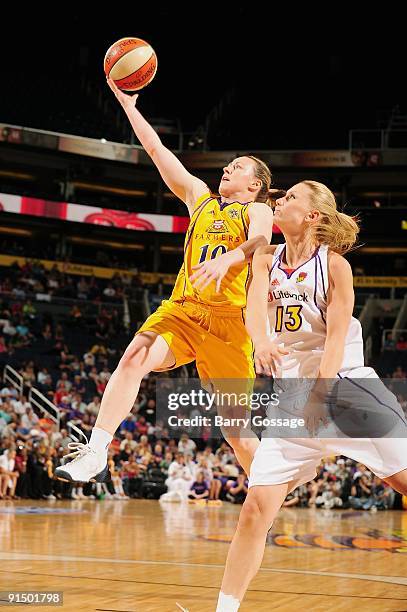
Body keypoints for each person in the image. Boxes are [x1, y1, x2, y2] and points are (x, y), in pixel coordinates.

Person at [56, 77, 282, 483]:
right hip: (184, 313)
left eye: (239, 166)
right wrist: (128, 107)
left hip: (232, 327)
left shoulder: (257, 210)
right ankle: (96, 449)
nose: (228, 167)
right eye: (229, 164)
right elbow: (158, 151)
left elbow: (262, 239)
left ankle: (265, 494)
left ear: (256, 185)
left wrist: (231, 256)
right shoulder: (199, 197)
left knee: (238, 433)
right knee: (134, 357)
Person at [216, 181, 407, 611]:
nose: (279, 201)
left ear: (312, 217)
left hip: (346, 390)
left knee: (402, 482)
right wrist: (260, 341)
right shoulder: (266, 257)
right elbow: (253, 309)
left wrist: (321, 394)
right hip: (291, 399)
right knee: (254, 510)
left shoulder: (334, 265)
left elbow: (336, 338)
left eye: (290, 198)